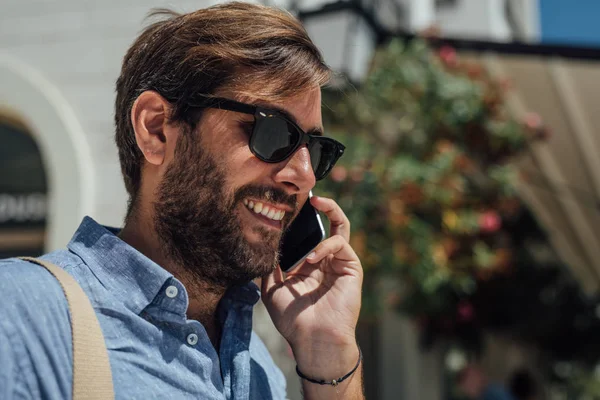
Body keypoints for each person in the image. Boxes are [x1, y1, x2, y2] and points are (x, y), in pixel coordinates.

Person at [0, 3, 364, 399]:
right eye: (273, 133)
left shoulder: (259, 369)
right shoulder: (21, 318)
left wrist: (327, 357)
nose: (305, 175)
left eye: (316, 148)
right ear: (156, 130)